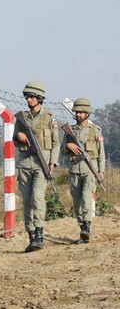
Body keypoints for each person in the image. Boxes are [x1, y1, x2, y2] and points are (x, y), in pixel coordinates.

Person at [13, 82, 60, 252]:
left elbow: (56, 143)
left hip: (42, 164)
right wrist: (18, 135)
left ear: (40, 98)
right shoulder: (21, 118)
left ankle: (39, 234)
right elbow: (14, 139)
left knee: (37, 198)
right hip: (25, 163)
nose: (29, 99)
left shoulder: (49, 118)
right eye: (27, 97)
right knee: (27, 201)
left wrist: (53, 163)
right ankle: (31, 235)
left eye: (32, 97)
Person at [60, 97, 105, 244]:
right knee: (77, 200)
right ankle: (82, 229)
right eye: (76, 112)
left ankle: (87, 227)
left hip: (90, 171)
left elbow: (101, 153)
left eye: (81, 112)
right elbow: (62, 150)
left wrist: (101, 171)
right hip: (74, 170)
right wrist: (68, 146)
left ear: (87, 113)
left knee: (86, 197)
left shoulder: (95, 130)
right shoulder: (70, 131)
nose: (78, 114)